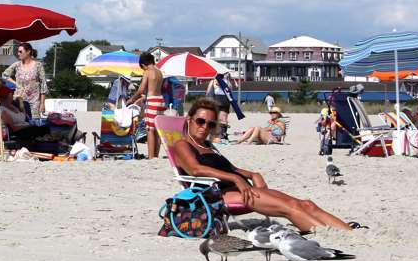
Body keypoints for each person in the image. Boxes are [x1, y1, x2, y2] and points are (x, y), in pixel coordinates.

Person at [171, 98, 363, 233]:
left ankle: (347, 230)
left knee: (305, 204)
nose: (205, 127)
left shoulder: (207, 146)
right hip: (219, 194)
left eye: (210, 124)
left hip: (240, 187)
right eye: (200, 121)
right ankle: (325, 233)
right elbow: (195, 169)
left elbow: (230, 169)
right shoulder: (182, 144)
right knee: (290, 209)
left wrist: (252, 174)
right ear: (189, 120)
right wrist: (237, 179)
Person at [126, 52, 165, 159]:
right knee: (157, 129)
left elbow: (141, 89)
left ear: (143, 65)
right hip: (161, 100)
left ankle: (151, 157)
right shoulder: (159, 72)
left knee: (150, 129)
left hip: (152, 100)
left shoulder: (148, 72)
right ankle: (156, 155)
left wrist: (132, 99)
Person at [2, 42, 48, 118]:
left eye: (20, 51)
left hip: (34, 103)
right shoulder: (16, 65)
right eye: (18, 51)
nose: (18, 53)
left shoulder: (38, 65)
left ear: (28, 51)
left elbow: (43, 85)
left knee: (33, 125)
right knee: (20, 122)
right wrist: (15, 83)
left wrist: (42, 103)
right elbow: (4, 75)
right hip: (19, 101)